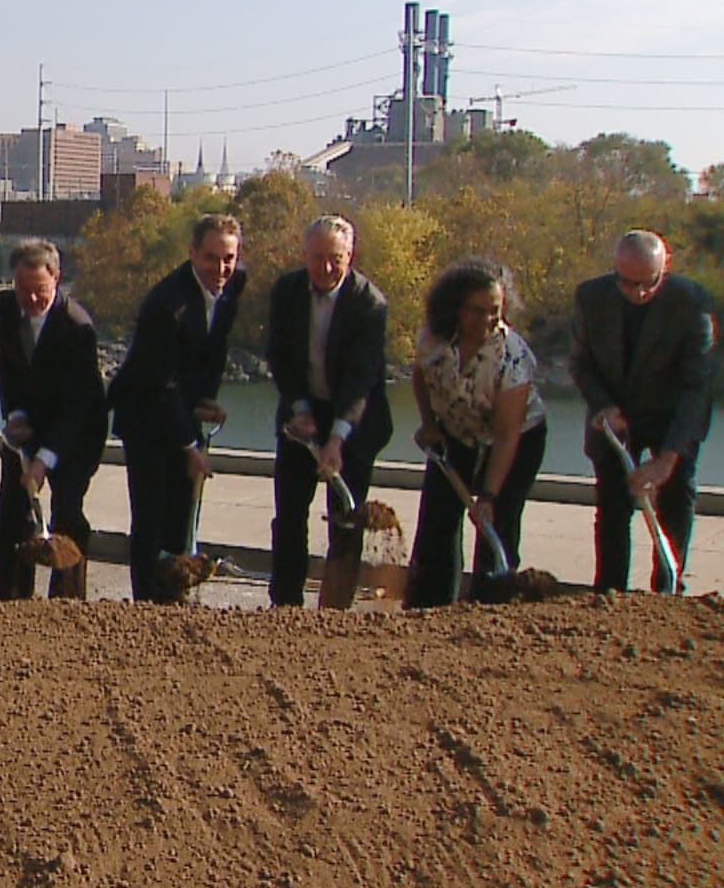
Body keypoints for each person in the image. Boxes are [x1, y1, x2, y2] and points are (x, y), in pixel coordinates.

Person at [108, 213, 247, 603]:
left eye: (228, 258)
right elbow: (161, 381)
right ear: (191, 253)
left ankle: (173, 596)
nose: (220, 268)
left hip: (183, 406)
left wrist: (207, 399)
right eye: (210, 258)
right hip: (145, 413)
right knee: (151, 517)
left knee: (181, 514)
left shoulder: (233, 285)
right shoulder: (166, 304)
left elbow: (214, 347)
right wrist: (189, 446)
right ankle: (147, 604)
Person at [568, 229, 715, 594]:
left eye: (648, 284)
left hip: (670, 414)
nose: (639, 294)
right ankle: (609, 591)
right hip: (614, 413)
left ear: (664, 271)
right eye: (627, 284)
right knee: (613, 505)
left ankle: (667, 588)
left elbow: (697, 388)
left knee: (677, 494)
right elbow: (581, 364)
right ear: (615, 271)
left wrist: (668, 459)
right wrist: (603, 406)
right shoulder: (591, 297)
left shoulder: (693, 303)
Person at [265, 214, 393, 607]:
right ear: (304, 254)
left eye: (334, 258)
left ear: (350, 256)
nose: (324, 268)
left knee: (346, 518)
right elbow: (281, 358)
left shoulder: (369, 303)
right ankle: (285, 606)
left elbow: (361, 378)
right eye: (317, 257)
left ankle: (334, 608)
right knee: (289, 515)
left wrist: (337, 437)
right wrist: (300, 410)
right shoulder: (286, 292)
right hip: (302, 412)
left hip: (354, 417)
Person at [407, 259, 548, 606]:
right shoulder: (434, 339)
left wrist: (487, 495)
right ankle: (430, 607)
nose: (487, 320)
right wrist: (428, 425)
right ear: (455, 308)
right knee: (438, 524)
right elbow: (421, 377)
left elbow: (506, 436)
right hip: (455, 433)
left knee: (496, 523)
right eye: (477, 310)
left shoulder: (512, 357)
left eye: (495, 312)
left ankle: (491, 605)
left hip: (515, 441)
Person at [0, 239, 107, 600]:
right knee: (13, 513)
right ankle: (12, 602)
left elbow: (78, 405)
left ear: (56, 279)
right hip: (28, 425)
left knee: (67, 515)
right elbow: (8, 372)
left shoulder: (77, 327)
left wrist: (43, 460)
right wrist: (16, 416)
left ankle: (66, 605)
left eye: (40, 291)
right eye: (23, 290)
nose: (31, 300)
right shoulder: (4, 308)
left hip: (76, 433)